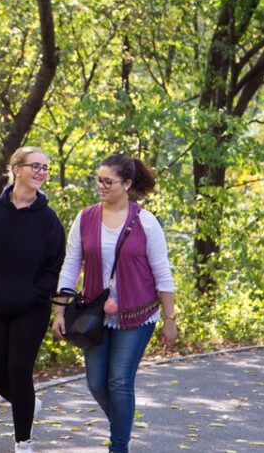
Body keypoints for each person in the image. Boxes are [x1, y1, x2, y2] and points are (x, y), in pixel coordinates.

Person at [51, 153, 177, 453]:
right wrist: (59, 310)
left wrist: (170, 319)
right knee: (96, 383)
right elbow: (70, 266)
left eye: (108, 181)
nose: (102, 186)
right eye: (99, 180)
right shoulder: (85, 218)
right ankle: (121, 424)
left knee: (119, 382)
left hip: (137, 315)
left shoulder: (146, 222)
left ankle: (118, 447)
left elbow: (163, 273)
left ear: (127, 184)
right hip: (94, 314)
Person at [0, 146, 66, 453]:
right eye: (35, 166)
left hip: (31, 309)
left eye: (46, 168)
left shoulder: (49, 221)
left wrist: (35, 295)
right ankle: (28, 403)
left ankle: (23, 442)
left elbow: (54, 266)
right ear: (17, 169)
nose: (41, 172)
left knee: (19, 372)